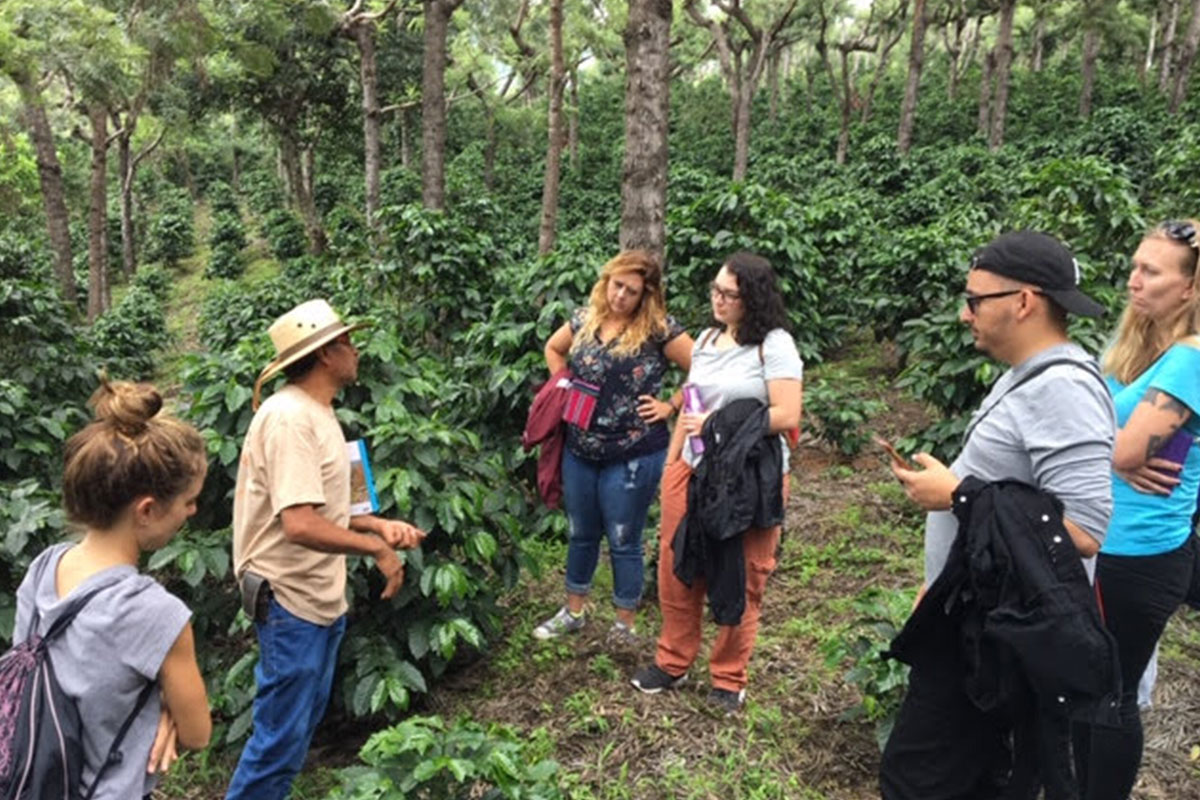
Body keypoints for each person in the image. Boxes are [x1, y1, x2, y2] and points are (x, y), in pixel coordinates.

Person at [879, 231, 1116, 798]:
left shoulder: (1062, 390)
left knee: (919, 779)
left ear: (1024, 301)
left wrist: (958, 495)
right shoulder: (1026, 376)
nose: (965, 315)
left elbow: (1084, 531)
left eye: (975, 300)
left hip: (1002, 634)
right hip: (977, 621)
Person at [226, 299, 426, 800]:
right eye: (347, 342)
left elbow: (325, 507)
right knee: (278, 741)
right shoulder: (290, 420)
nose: (356, 351)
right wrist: (374, 550)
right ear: (324, 355)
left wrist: (378, 525)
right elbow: (299, 524)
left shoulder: (317, 412)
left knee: (296, 730)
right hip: (289, 600)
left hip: (316, 597)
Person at [13, 378, 212, 800]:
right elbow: (198, 733)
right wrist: (167, 710)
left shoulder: (44, 566)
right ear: (147, 510)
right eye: (188, 501)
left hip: (28, 781)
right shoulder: (156, 613)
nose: (192, 511)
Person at [631, 251, 803, 714]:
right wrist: (673, 465)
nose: (718, 300)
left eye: (729, 294)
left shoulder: (774, 345)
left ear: (754, 299)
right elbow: (692, 402)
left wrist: (719, 423)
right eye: (715, 290)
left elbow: (787, 413)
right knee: (677, 566)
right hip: (694, 469)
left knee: (743, 572)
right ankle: (672, 661)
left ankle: (728, 676)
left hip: (748, 476)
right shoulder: (707, 338)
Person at [1074, 219, 1200, 800]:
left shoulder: (1190, 359)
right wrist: (1112, 450)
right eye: (1134, 267)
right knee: (1091, 687)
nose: (1134, 280)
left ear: (1191, 288)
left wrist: (1108, 451)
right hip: (1107, 539)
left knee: (1111, 694)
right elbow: (1101, 430)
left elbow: (1122, 448)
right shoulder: (1143, 349)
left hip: (1138, 553)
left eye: (1151, 271)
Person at [533, 250, 693, 643]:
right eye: (616, 285)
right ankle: (573, 611)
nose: (620, 295)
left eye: (631, 291)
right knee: (581, 532)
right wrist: (563, 385)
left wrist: (670, 405)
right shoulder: (585, 319)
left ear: (645, 295)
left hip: (634, 451)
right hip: (580, 448)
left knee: (623, 537)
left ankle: (624, 624)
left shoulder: (659, 329)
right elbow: (553, 348)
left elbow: (705, 369)